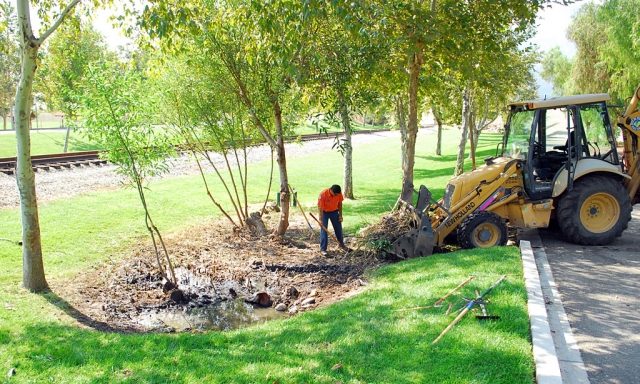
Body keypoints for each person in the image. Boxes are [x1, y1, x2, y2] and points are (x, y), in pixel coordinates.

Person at [317, 184, 347, 256]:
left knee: (338, 228)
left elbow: (340, 203)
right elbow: (320, 208)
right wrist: (320, 219)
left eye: (337, 194)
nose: (336, 195)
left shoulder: (338, 194)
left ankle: (341, 244)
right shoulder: (323, 194)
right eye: (335, 194)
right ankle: (323, 249)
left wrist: (340, 215)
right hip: (325, 212)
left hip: (334, 212)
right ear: (331, 190)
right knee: (324, 230)